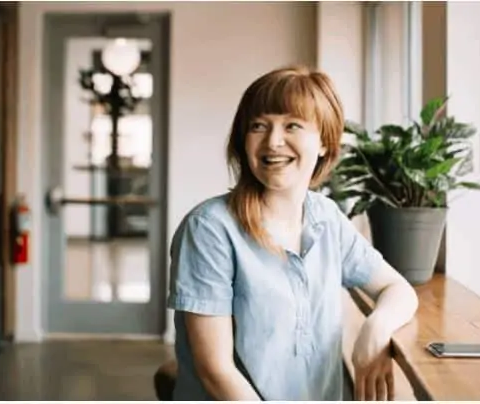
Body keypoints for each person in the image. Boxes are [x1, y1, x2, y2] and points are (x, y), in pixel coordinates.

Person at [166, 65, 419, 401]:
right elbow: (216, 372)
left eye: (292, 126)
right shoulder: (209, 229)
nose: (273, 141)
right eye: (258, 126)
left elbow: (397, 288)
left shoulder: (326, 217)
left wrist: (376, 328)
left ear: (325, 144)